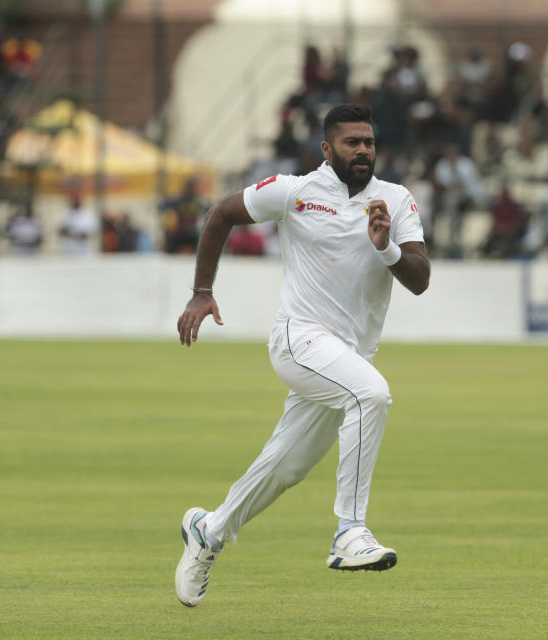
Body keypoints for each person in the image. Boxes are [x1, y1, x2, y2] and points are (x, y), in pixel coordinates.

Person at [174, 104, 430, 608]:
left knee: (285, 468)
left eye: (369, 142)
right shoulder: (295, 191)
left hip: (346, 354)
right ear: (326, 149)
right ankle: (349, 533)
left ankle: (209, 530)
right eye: (352, 142)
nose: (363, 150)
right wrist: (202, 291)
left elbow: (419, 280)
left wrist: (387, 249)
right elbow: (222, 213)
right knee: (371, 393)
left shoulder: (394, 200)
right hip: (299, 340)